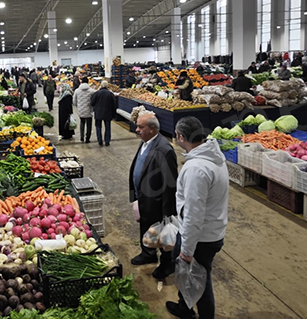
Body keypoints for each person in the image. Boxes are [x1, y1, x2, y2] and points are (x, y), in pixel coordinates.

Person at [166, 117, 229, 319]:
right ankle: (184, 307)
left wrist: (187, 250)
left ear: (180, 137)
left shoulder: (196, 169)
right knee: (189, 275)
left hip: (201, 237)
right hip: (211, 229)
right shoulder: (213, 157)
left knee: (201, 281)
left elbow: (194, 213)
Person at [129, 112, 179, 279]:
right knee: (146, 227)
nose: (136, 130)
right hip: (144, 198)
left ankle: (167, 264)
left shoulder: (164, 149)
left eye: (140, 127)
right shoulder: (145, 142)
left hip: (157, 202)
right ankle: (148, 254)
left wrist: (167, 211)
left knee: (163, 234)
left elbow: (170, 183)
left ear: (151, 129)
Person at [90, 81, 117, 146]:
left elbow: (92, 103)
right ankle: (107, 141)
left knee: (98, 127)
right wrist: (113, 114)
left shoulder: (96, 93)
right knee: (107, 127)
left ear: (101, 85)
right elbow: (114, 104)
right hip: (108, 113)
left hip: (98, 113)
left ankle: (100, 140)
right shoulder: (110, 94)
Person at [73, 78, 94, 143]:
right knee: (89, 125)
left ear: (81, 82)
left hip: (81, 109)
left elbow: (74, 101)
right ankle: (87, 138)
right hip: (89, 110)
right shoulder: (92, 91)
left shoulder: (77, 90)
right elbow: (94, 100)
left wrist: (78, 106)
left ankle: (82, 137)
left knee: (82, 123)